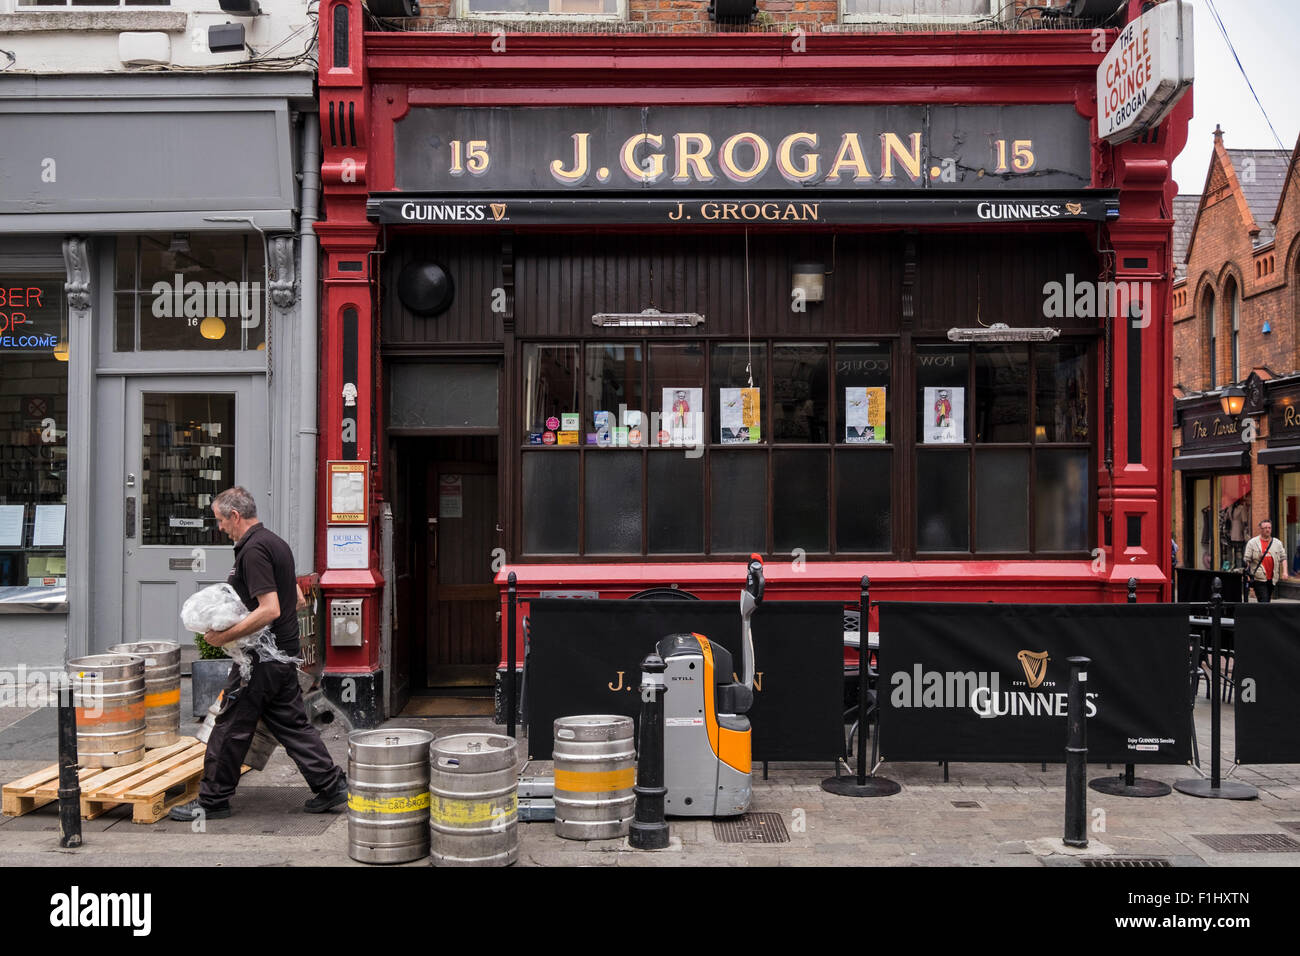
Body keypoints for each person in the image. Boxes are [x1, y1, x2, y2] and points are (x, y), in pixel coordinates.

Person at [170, 486, 346, 821]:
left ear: (235, 516)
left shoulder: (253, 551)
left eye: (221, 520)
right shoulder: (275, 543)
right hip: (282, 656)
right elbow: (297, 599)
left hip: (259, 660)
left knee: (230, 725)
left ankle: (212, 801)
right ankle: (330, 785)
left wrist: (224, 636)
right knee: (292, 724)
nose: (219, 527)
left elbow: (270, 609)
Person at [1242, 519, 1288, 604]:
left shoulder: (1277, 543)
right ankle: (1265, 616)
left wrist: (1285, 572)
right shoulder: (1252, 543)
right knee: (1264, 600)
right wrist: (1247, 575)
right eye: (1265, 528)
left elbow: (1283, 558)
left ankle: (1262, 615)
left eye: (1269, 528)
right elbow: (1246, 559)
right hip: (1258, 577)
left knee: (1267, 600)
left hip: (1272, 578)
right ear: (1260, 529)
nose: (1268, 530)